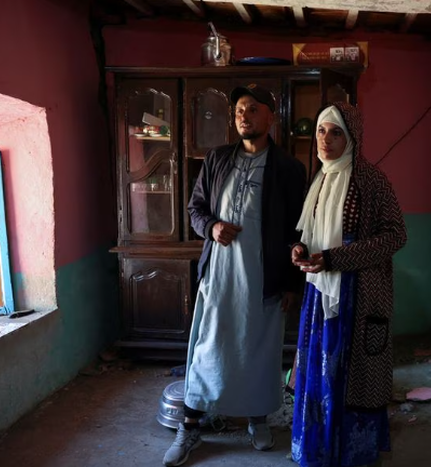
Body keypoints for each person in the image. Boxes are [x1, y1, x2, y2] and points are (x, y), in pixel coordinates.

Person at [163, 84, 306, 467]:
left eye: (253, 108)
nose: (244, 115)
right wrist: (210, 227)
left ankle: (257, 420)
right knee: (208, 348)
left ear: (270, 117)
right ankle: (190, 425)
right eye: (240, 109)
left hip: (264, 280)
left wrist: (294, 284)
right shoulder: (217, 159)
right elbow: (195, 209)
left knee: (259, 351)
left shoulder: (290, 169)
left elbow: (300, 231)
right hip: (220, 277)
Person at [289, 102, 407, 467]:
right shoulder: (321, 178)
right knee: (323, 369)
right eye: (321, 131)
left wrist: (338, 258)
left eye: (336, 132)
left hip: (359, 293)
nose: (325, 139)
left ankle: (351, 455)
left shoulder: (371, 181)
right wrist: (299, 250)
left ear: (352, 137)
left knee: (353, 375)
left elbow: (395, 236)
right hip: (320, 288)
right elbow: (309, 233)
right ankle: (319, 449)